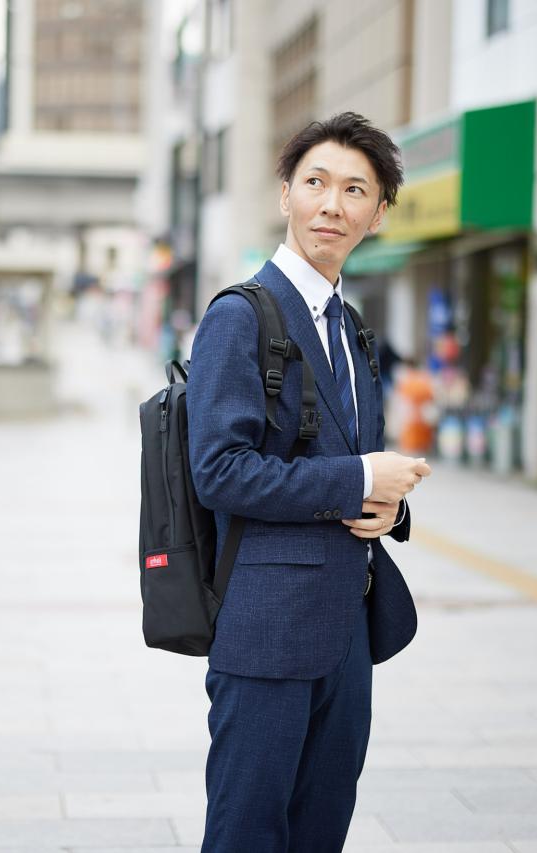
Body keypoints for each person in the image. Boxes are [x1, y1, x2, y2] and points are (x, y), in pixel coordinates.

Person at [186, 112, 432, 851]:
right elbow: (218, 470)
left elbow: (353, 464)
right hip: (264, 632)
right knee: (246, 833)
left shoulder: (352, 327)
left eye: (356, 189)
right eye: (317, 182)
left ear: (379, 212)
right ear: (286, 192)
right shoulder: (240, 316)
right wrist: (358, 475)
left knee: (321, 831)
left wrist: (384, 508)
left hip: (346, 633)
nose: (333, 203)